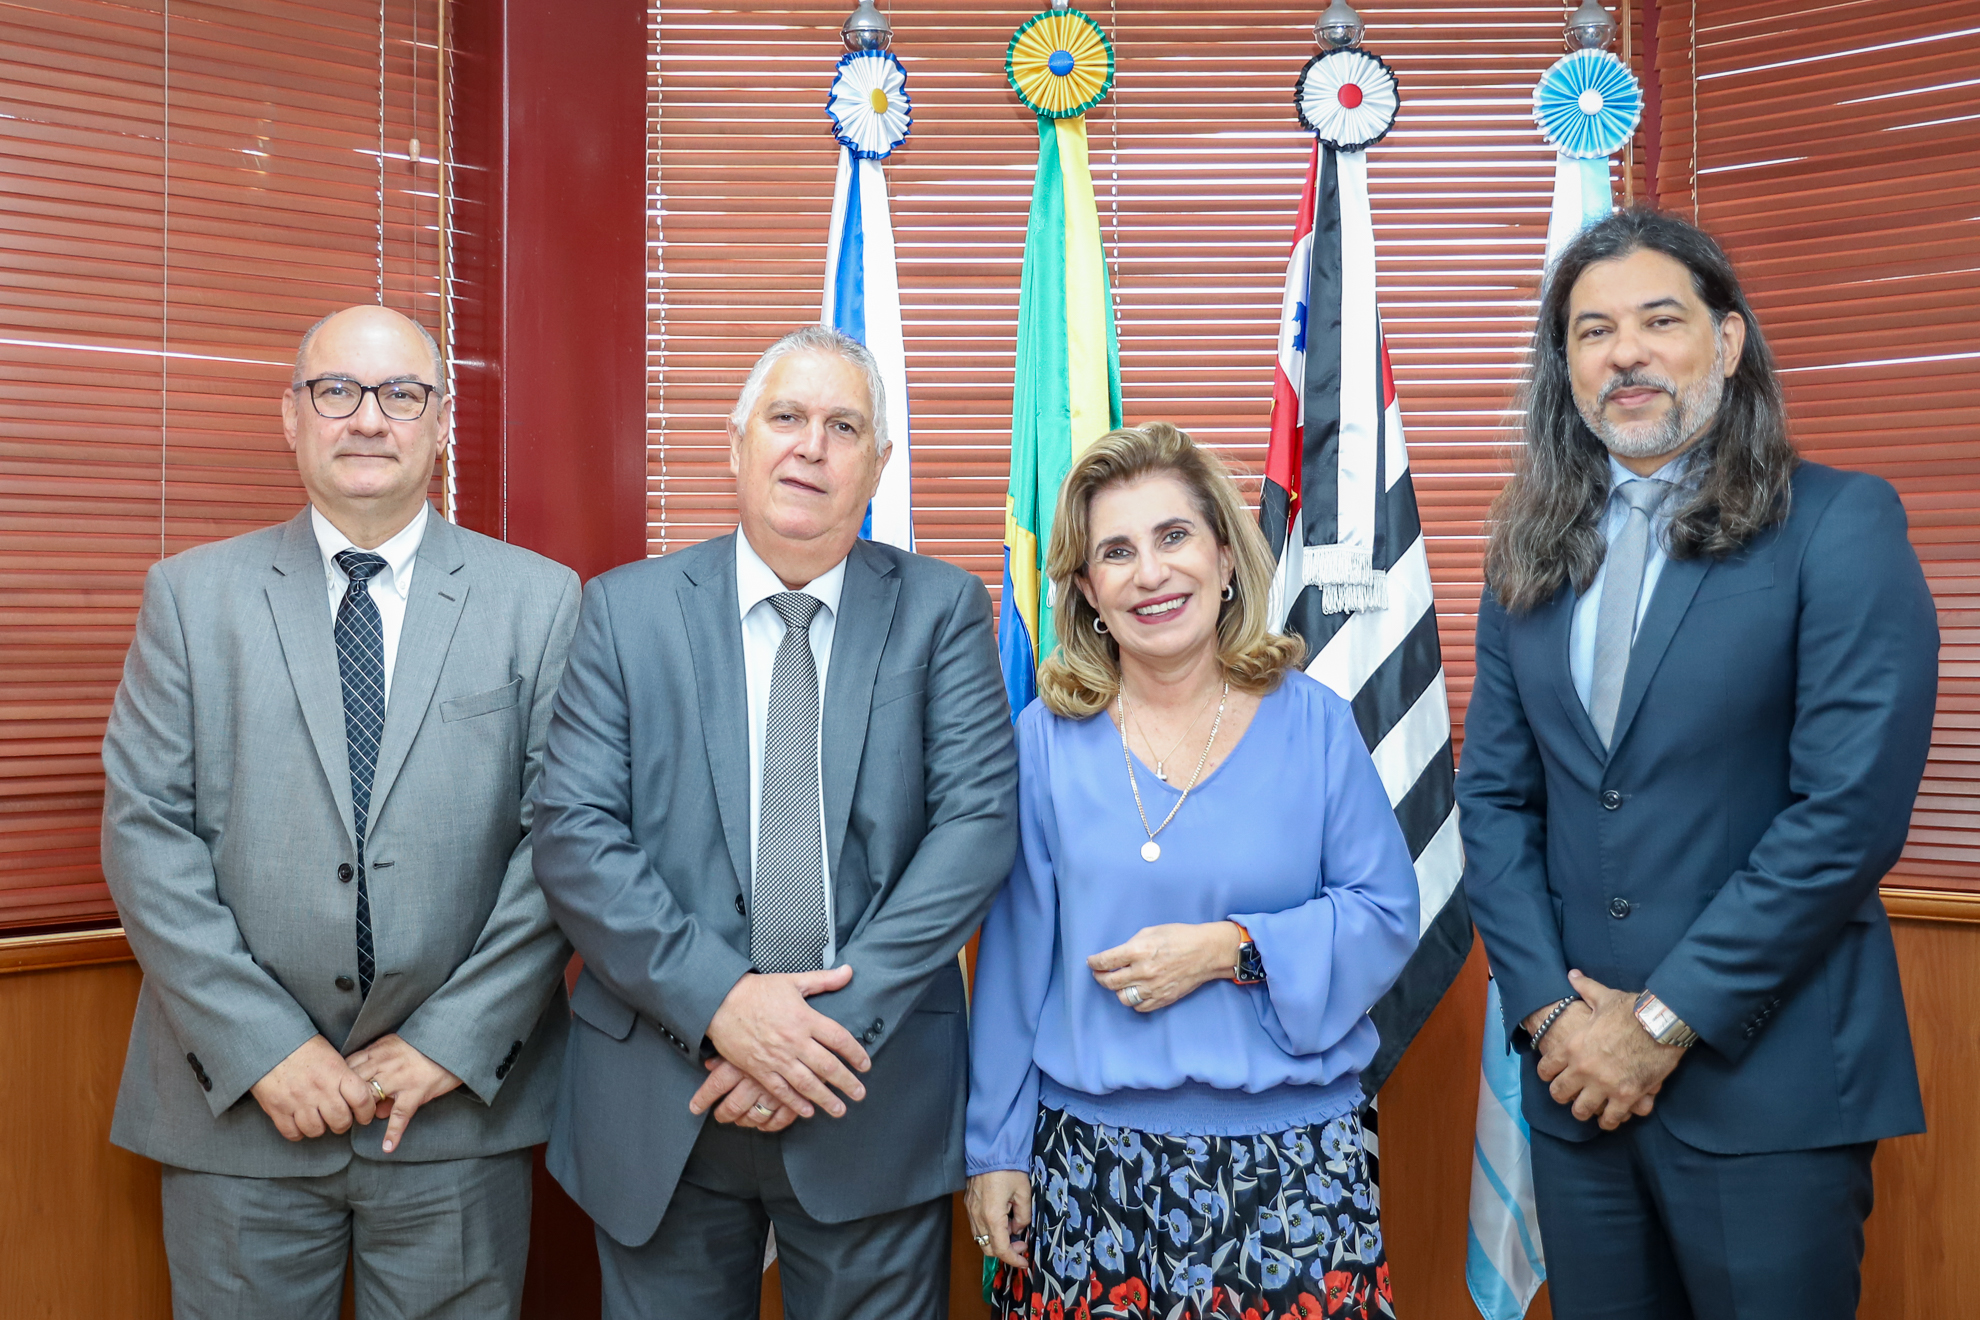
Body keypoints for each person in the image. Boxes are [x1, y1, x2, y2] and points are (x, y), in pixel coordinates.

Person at [1459, 209, 1939, 1320]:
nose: (1624, 353)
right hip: (1578, 1094)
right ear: (1565, 365)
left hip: (1767, 1100)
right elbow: (1492, 798)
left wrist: (1660, 1021)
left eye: (1658, 320)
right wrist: (1550, 1020)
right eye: (1591, 331)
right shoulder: (1526, 548)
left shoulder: (1838, 525)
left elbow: (1847, 815)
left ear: (1725, 344)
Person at [101, 305, 581, 1318]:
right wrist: (262, 1047)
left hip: (452, 1119)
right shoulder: (191, 599)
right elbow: (146, 835)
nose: (370, 419)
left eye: (402, 394)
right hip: (236, 1113)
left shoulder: (539, 602)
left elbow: (564, 844)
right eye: (338, 392)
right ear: (292, 415)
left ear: (442, 421)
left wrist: (453, 1039)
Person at [532, 324, 1018, 1318]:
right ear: (737, 442)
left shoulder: (943, 611)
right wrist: (725, 1008)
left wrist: (814, 1038)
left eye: (845, 426)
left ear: (879, 465)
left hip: (867, 1089)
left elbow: (976, 828)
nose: (812, 446)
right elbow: (576, 837)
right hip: (662, 1094)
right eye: (787, 418)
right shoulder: (624, 613)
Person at [965, 423, 1420, 1320]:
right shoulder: (1044, 747)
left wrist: (1232, 949)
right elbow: (1013, 971)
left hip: (1295, 1169)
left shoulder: (1317, 726)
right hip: (1089, 1171)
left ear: (1223, 554)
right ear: (1089, 590)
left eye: (1174, 537)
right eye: (1117, 552)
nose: (1152, 572)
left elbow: (1385, 914)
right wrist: (994, 1152)